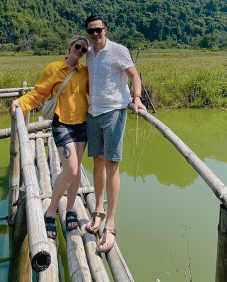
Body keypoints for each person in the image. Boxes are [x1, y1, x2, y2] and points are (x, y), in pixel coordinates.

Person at [11, 35, 90, 240]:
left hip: (82, 124)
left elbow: (95, 93)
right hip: (62, 124)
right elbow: (39, 93)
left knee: (76, 169)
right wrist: (21, 103)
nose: (80, 51)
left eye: (84, 50)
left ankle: (70, 208)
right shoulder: (53, 68)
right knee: (71, 169)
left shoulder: (85, 72)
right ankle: (51, 211)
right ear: (70, 46)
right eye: (77, 46)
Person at [82, 15, 146, 253]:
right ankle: (98, 210)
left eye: (98, 30)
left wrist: (136, 99)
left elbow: (134, 76)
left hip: (114, 112)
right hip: (93, 112)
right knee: (97, 160)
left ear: (105, 30)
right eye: (91, 31)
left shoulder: (118, 50)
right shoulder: (88, 54)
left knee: (112, 164)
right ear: (88, 33)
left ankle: (110, 223)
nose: (95, 34)